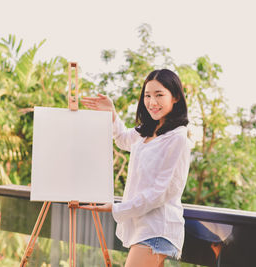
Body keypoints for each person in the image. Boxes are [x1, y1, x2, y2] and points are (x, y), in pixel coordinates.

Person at [81, 69, 190, 267]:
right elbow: (123, 139)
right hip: (144, 229)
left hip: (158, 229)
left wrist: (118, 208)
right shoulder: (147, 131)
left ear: (175, 97)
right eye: (147, 96)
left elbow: (160, 192)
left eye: (159, 95)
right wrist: (112, 114)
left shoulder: (177, 138)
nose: (152, 102)